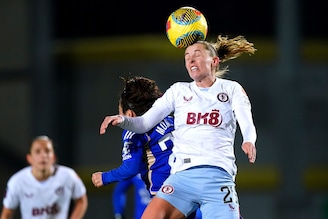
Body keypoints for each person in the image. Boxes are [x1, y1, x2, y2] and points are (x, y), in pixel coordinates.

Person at [99, 35, 257, 219]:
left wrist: (248, 140)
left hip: (217, 178)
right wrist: (123, 120)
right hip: (182, 179)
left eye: (196, 55)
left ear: (214, 61)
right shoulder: (178, 91)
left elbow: (246, 120)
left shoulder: (231, 89)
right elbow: (143, 123)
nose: (190, 59)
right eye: (187, 56)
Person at [92, 76, 200, 219]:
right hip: (192, 188)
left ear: (129, 115)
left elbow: (132, 167)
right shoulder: (170, 120)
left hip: (166, 195)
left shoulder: (134, 132)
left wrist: (104, 177)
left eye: (120, 112)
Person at [1, 135, 88, 219]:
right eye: (38, 151)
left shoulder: (68, 176)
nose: (43, 156)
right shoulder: (17, 181)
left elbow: (81, 200)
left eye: (47, 151)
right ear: (29, 158)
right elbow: (6, 214)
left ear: (53, 157)